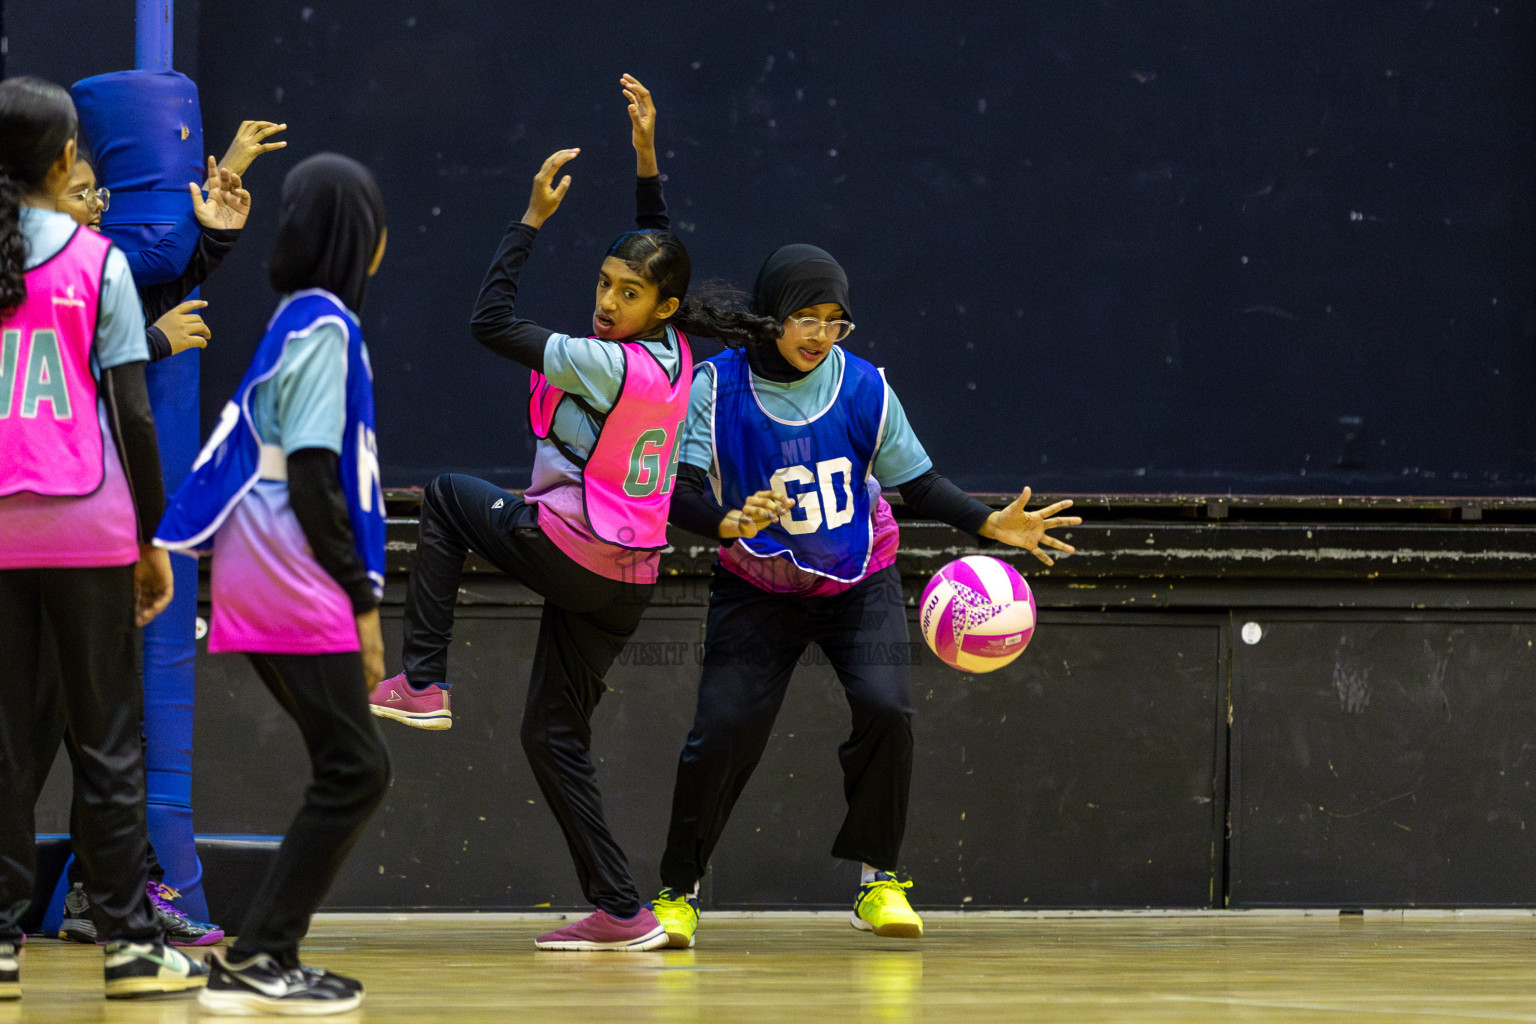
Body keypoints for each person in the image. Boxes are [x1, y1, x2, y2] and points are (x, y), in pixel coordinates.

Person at [369, 75, 775, 951]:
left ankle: (425, 680)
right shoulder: (670, 348)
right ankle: (624, 910)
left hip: (576, 552)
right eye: (604, 283)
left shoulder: (604, 363)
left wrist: (529, 222)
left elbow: (487, 322)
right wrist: (645, 157)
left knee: (444, 495)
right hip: (625, 580)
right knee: (552, 737)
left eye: (626, 293)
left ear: (660, 309)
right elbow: (659, 246)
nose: (606, 300)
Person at [649, 243, 1081, 948]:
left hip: (858, 577)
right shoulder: (711, 388)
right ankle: (677, 892)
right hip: (758, 584)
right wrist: (727, 522)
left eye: (835, 322)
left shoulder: (864, 387)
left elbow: (917, 483)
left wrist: (986, 520)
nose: (821, 335)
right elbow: (682, 493)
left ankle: (879, 881)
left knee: (888, 709)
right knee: (723, 731)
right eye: (806, 319)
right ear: (770, 317)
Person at [155, 152, 390, 1015]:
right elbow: (316, 478)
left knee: (347, 764)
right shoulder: (328, 326)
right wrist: (364, 608)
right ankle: (260, 957)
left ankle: (262, 954)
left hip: (249, 562)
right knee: (357, 769)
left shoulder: (296, 317)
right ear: (361, 238)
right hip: (290, 564)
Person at [0, 75, 208, 1001]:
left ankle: (1, 936)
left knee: (5, 739)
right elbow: (132, 414)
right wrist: (153, 538)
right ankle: (129, 942)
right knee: (107, 738)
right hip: (85, 524)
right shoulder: (97, 261)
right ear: (59, 162)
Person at [44, 149, 252, 949]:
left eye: (98, 192)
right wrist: (154, 347)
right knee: (51, 730)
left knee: (105, 732)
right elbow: (62, 381)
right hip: (40, 533)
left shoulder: (85, 270)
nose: (96, 208)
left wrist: (213, 246)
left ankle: (107, 897)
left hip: (73, 533)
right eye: (79, 193)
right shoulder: (29, 279)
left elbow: (137, 299)